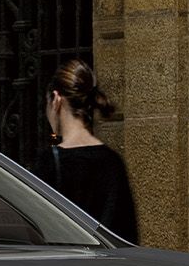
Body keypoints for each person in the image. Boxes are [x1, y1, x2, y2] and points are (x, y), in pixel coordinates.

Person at [44, 57, 139, 239]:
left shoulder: (49, 161)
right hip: (102, 258)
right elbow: (126, 234)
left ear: (56, 100)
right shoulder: (112, 162)